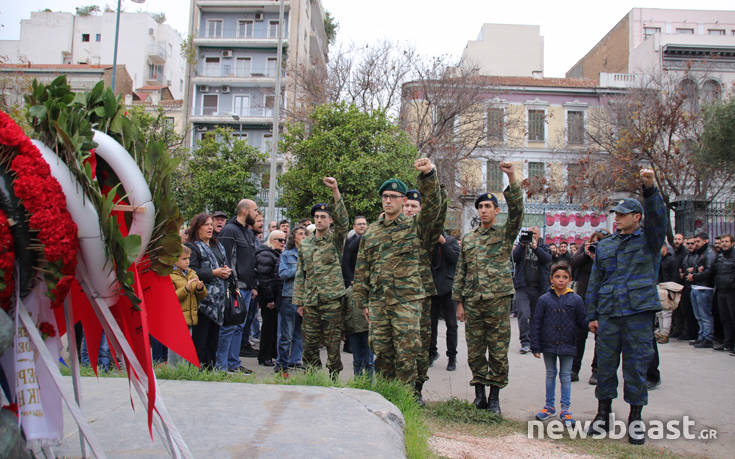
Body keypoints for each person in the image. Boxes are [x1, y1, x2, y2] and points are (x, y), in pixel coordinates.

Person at [353, 158, 446, 401]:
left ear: (404, 201)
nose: (388, 200)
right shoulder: (371, 231)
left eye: (393, 196)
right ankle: (385, 397)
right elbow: (362, 268)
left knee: (407, 353)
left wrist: (428, 177)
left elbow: (434, 210)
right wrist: (363, 302)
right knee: (382, 353)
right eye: (385, 196)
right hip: (379, 302)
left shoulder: (415, 227)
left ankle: (405, 400)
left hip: (407, 302)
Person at [586, 168, 666, 445]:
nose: (617, 219)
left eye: (622, 214)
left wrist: (651, 190)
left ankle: (635, 419)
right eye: (615, 215)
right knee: (605, 367)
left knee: (635, 368)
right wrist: (591, 315)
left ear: (637, 217)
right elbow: (595, 282)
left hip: (637, 315)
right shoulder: (605, 247)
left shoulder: (649, 242)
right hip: (609, 315)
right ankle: (603, 415)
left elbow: (658, 220)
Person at [453, 162, 523, 415]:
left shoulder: (504, 235)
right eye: (480, 207)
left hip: (497, 301)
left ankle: (495, 397)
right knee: (474, 351)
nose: (483, 211)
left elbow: (517, 212)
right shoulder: (469, 239)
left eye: (487, 207)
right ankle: (479, 394)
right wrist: (459, 302)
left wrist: (512, 178)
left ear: (496, 210)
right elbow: (462, 270)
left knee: (498, 351)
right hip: (473, 302)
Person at [293, 178, 349, 379]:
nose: (319, 220)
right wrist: (298, 301)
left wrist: (335, 190)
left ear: (330, 220)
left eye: (323, 217)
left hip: (331, 301)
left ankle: (334, 378)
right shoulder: (306, 244)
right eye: (316, 217)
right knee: (309, 344)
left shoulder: (335, 240)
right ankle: (313, 378)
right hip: (310, 301)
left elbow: (344, 221)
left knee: (333, 345)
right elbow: (301, 273)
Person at [531, 262, 587, 426]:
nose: (561, 280)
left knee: (565, 376)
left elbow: (582, 321)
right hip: (548, 343)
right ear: (551, 279)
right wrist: (536, 345)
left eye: (564, 277)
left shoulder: (576, 299)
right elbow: (536, 322)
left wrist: (592, 323)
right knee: (550, 374)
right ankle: (549, 406)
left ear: (570, 279)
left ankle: (565, 409)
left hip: (568, 344)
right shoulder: (544, 299)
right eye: (557, 277)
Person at [402, 188, 442, 402]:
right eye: (407, 205)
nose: (409, 210)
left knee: (420, 342)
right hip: (397, 295)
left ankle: (417, 389)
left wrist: (437, 189)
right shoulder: (392, 228)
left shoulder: (425, 230)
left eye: (414, 207)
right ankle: (398, 388)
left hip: (420, 293)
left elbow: (437, 214)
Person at [185, 213, 233, 370]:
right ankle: (198, 372)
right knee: (201, 340)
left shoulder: (218, 245)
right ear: (197, 227)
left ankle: (210, 371)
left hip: (218, 301)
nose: (210, 227)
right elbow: (191, 271)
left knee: (213, 341)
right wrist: (213, 273)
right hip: (202, 302)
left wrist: (226, 271)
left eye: (211, 224)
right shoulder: (192, 246)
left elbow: (224, 264)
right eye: (206, 224)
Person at [218, 199, 259, 370]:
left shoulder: (248, 232)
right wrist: (232, 286)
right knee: (229, 326)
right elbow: (225, 259)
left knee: (239, 327)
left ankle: (234, 363)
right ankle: (222, 364)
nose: (257, 214)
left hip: (248, 286)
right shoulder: (229, 230)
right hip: (235, 286)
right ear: (244, 211)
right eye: (255, 210)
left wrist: (254, 285)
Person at [570, 231, 607, 383]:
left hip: (603, 300)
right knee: (579, 336)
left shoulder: (608, 255)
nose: (595, 246)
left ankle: (597, 370)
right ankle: (574, 368)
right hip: (583, 298)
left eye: (599, 243)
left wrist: (599, 257)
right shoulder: (584, 252)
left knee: (601, 337)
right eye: (594, 242)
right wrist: (586, 254)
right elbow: (571, 263)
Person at [341, 216, 374, 376]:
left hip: (368, 284)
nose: (362, 226)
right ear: (354, 226)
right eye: (359, 224)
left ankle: (368, 375)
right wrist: (350, 281)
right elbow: (346, 261)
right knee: (354, 319)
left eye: (364, 224)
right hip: (353, 284)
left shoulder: (371, 238)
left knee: (368, 350)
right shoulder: (351, 240)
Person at [512, 226, 552, 354]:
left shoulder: (544, 246)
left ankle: (535, 341)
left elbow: (547, 259)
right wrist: (522, 244)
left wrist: (535, 248)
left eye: (534, 233)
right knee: (523, 314)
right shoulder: (521, 245)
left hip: (539, 287)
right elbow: (513, 257)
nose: (532, 236)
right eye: (530, 233)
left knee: (537, 316)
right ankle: (525, 341)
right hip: (522, 287)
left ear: (539, 235)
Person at [169, 245, 207, 367]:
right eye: (183, 259)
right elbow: (171, 298)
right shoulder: (171, 275)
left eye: (188, 258)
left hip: (190, 317)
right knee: (176, 349)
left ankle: (183, 371)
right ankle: (174, 371)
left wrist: (200, 288)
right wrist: (186, 289)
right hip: (177, 319)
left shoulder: (191, 273)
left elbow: (201, 296)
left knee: (186, 348)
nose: (187, 262)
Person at [276, 226, 307, 373]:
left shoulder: (310, 254)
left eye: (305, 234)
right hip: (290, 296)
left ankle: (295, 360)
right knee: (286, 334)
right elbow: (282, 273)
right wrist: (299, 270)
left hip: (305, 297)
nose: (303, 237)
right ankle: (282, 363)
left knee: (299, 333)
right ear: (294, 237)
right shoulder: (287, 255)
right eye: (301, 234)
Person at [429, 230, 460, 371]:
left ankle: (452, 357)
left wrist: (443, 243)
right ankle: (431, 353)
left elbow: (455, 259)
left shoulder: (451, 241)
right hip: (432, 290)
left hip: (448, 290)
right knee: (430, 326)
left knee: (452, 326)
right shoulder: (428, 243)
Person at [255, 230, 285, 366]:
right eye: (280, 240)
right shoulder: (266, 255)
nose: (283, 243)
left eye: (284, 240)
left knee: (273, 327)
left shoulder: (275, 254)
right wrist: (269, 299)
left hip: (275, 296)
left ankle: (271, 354)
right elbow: (264, 280)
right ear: (272, 240)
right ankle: (265, 356)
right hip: (269, 297)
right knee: (268, 328)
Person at [686, 232, 717, 348]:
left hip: (704, 287)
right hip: (696, 286)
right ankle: (701, 336)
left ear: (706, 241)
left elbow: (709, 271)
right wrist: (694, 272)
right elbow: (696, 268)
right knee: (698, 315)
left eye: (698, 241)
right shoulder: (700, 253)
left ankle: (707, 338)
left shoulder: (709, 253)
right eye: (695, 242)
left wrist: (694, 276)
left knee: (705, 315)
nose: (696, 244)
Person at [713, 234, 735, 354]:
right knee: (725, 319)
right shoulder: (720, 256)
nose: (724, 244)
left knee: (733, 318)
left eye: (726, 241)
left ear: (732, 243)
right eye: (722, 242)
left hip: (731, 291)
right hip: (721, 291)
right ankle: (727, 343)